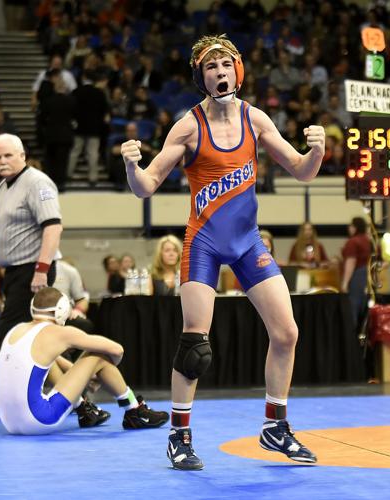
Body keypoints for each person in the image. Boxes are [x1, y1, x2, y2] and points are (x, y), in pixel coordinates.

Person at [121, 34, 325, 470]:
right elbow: (145, 188)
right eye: (211, 66)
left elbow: (304, 172)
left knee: (287, 333)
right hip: (205, 244)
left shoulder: (257, 120)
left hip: (249, 241)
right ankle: (179, 435)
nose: (219, 72)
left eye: (225, 65)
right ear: (202, 76)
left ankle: (275, 426)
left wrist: (318, 150)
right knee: (196, 345)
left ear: (237, 71)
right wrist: (131, 165)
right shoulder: (189, 125)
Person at [0, 133, 63, 419]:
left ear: (22, 155)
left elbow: (53, 228)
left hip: (33, 269)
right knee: (31, 338)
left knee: (9, 335)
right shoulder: (3, 188)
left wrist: (41, 270)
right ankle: (82, 402)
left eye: (8, 155)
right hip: (15, 271)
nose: (2, 161)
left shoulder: (37, 182)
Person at [0, 286, 169, 434]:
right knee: (98, 356)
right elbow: (117, 350)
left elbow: (50, 359)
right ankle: (134, 410)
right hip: (39, 419)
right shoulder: (59, 333)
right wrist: (101, 369)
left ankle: (83, 409)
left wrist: (84, 375)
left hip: (8, 421)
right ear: (63, 310)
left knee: (50, 362)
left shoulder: (16, 329)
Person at [341, 217, 372, 330]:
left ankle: (352, 337)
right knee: (365, 308)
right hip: (368, 276)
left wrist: (345, 283)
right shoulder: (369, 240)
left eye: (351, 226)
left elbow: (351, 262)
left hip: (357, 276)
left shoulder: (353, 241)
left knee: (353, 307)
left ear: (355, 227)